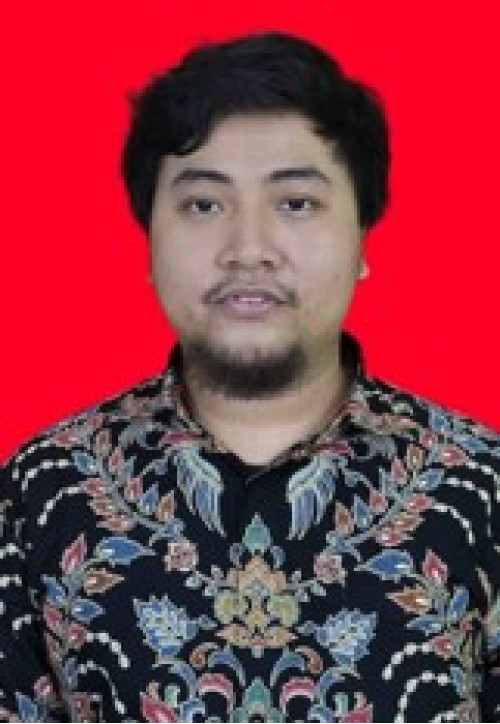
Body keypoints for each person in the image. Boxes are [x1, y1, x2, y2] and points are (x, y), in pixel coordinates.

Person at [1, 30, 499, 723]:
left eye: (296, 202)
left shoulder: (480, 488)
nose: (249, 249)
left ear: (363, 238)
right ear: (149, 241)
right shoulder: (44, 490)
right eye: (204, 205)